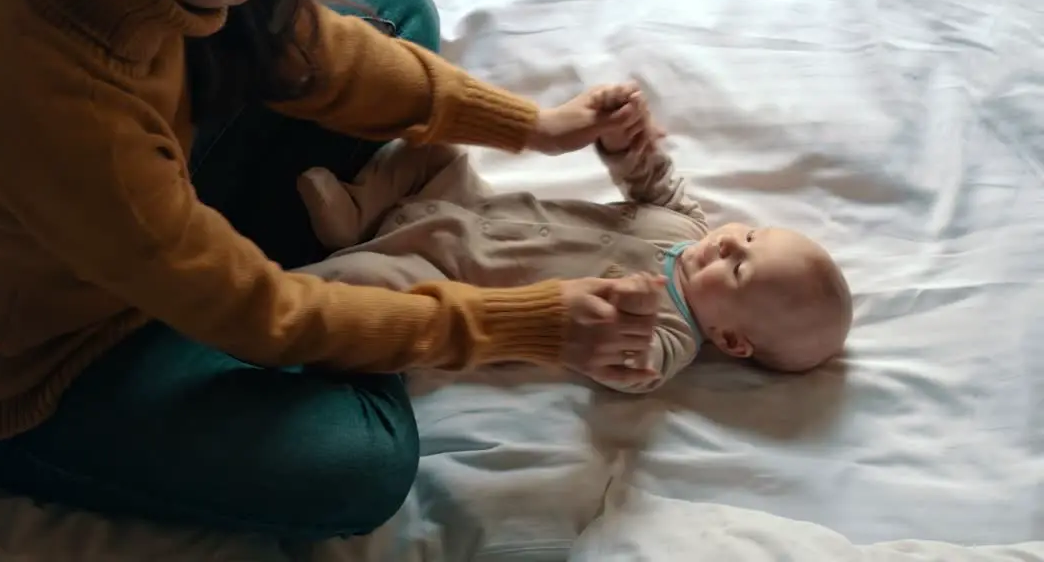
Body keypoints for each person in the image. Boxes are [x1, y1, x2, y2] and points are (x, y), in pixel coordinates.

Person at [0, 0, 661, 543]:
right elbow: (269, 319)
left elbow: (299, 43)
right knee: (364, 466)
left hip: (117, 219)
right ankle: (345, 264)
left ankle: (323, 248)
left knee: (393, 9)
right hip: (29, 367)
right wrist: (524, 323)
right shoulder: (73, 125)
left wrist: (533, 126)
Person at [296, 81, 854, 390]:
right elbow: (651, 177)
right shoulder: (690, 224)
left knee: (371, 288)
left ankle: (285, 291)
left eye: (739, 269)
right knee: (438, 149)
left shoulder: (671, 334)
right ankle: (361, 211)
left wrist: (627, 331)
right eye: (750, 236)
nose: (731, 243)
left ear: (731, 340)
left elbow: (635, 370)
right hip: (470, 202)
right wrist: (624, 141)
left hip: (449, 277)